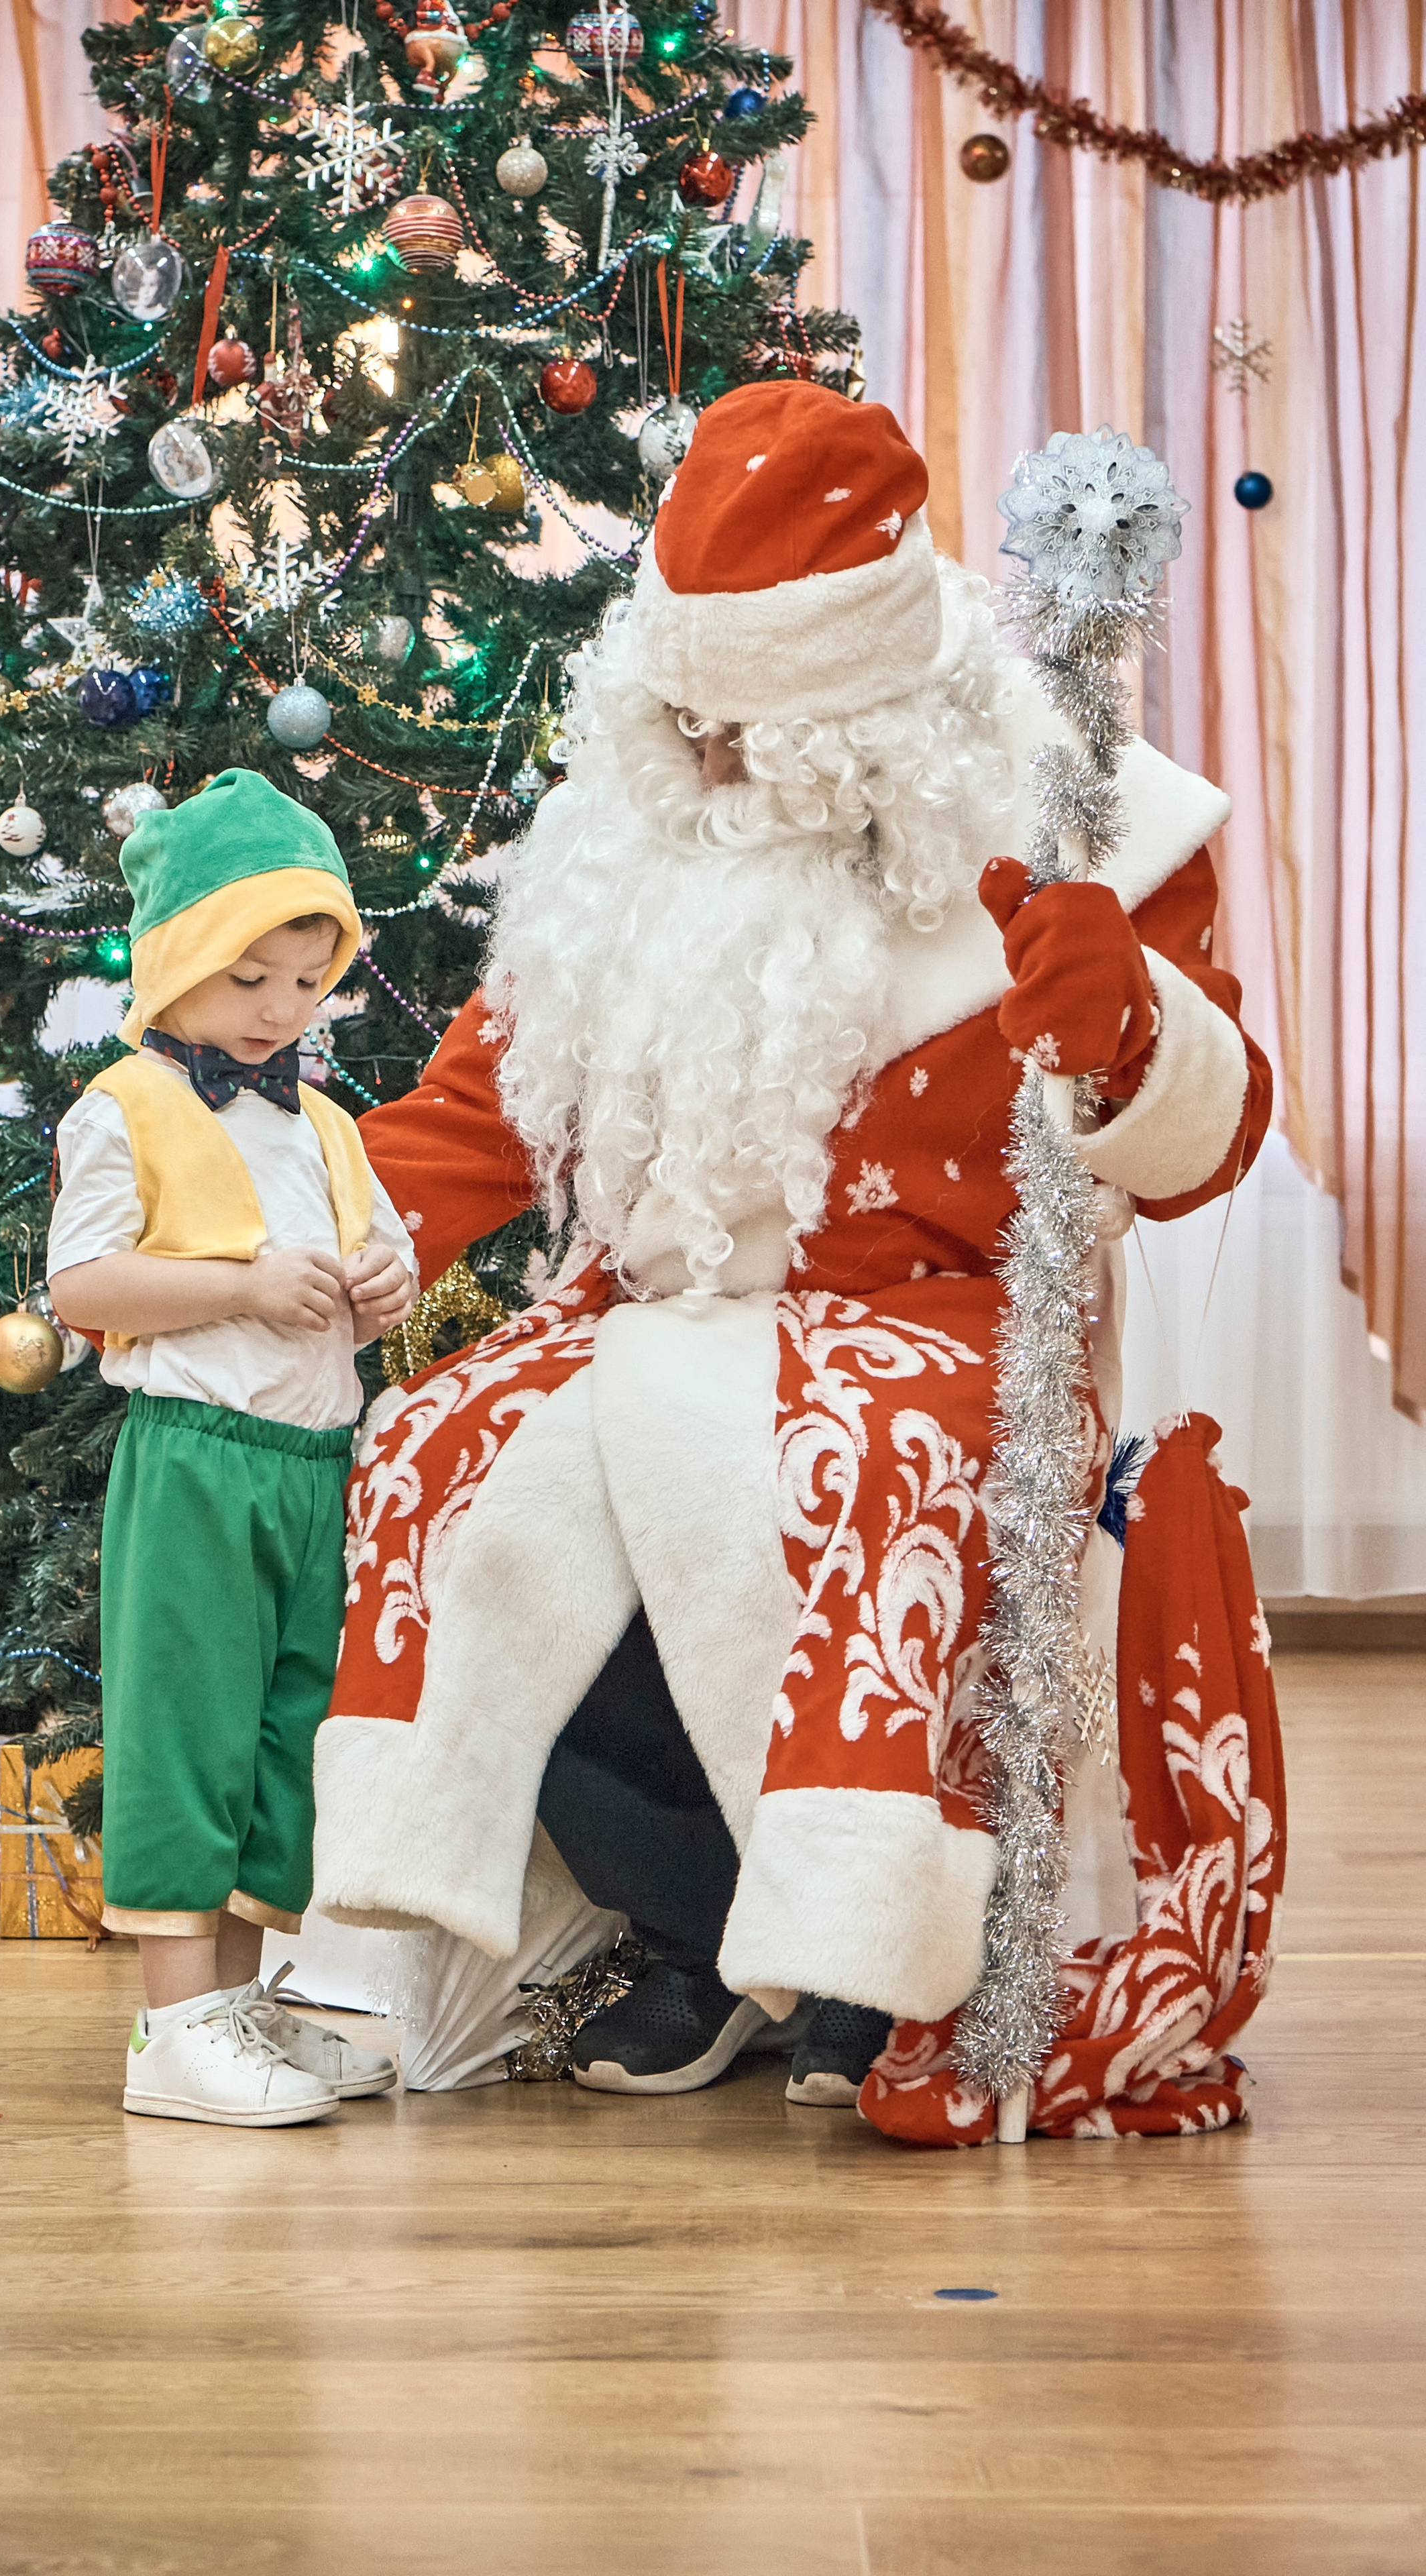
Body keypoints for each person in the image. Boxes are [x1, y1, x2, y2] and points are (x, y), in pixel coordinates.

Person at [309, 384, 1278, 2131]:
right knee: (445, 1462)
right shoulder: (628, 839)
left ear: (869, 714)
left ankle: (861, 1951)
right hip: (651, 1310)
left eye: (745, 726)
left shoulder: (1089, 835)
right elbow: (471, 1114)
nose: (705, 758)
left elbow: (1207, 1144)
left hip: (935, 1315)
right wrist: (284, 1224)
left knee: (864, 1472)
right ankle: (692, 1923)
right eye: (679, 713)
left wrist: (1123, 1024)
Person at [49, 768, 419, 2127]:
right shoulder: (123, 1109)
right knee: (187, 1729)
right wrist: (242, 1286)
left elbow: (378, 1246)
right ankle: (170, 2030)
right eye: (248, 976)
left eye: (307, 980)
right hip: (197, 1461)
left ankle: (242, 2010)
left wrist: (386, 1285)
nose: (278, 1010)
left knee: (287, 1742)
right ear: (175, 966)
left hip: (313, 1468)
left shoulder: (321, 1119)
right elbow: (83, 1288)